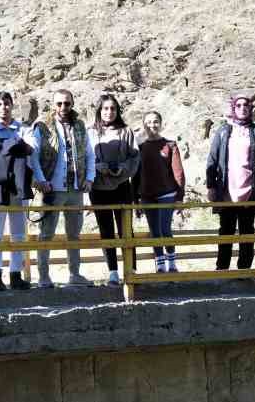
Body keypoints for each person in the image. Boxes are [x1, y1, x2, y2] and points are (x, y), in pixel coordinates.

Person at [206, 92, 255, 270]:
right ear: (233, 108)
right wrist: (211, 186)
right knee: (226, 230)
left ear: (250, 108)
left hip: (250, 189)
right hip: (227, 190)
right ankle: (222, 269)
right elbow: (212, 160)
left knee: (247, 231)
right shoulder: (223, 131)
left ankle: (244, 270)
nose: (242, 108)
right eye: (238, 105)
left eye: (246, 105)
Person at [29, 89, 93, 288]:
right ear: (53, 105)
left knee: (74, 234)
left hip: (75, 188)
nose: (63, 108)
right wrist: (40, 180)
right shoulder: (43, 126)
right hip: (52, 189)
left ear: (72, 104)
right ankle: (43, 276)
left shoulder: (80, 126)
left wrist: (89, 178)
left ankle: (75, 274)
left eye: (67, 103)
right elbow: (34, 155)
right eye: (59, 104)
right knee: (46, 233)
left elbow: (90, 154)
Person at [89, 94, 141, 287]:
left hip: (122, 187)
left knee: (126, 229)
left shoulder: (126, 132)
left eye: (112, 108)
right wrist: (97, 167)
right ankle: (112, 272)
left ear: (117, 111)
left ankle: (131, 269)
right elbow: (85, 158)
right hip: (98, 188)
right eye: (105, 108)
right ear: (99, 111)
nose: (109, 112)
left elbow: (135, 158)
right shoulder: (90, 133)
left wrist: (122, 169)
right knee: (106, 230)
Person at [0, 91, 30, 292]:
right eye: (0, 104)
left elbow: (31, 149)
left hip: (18, 184)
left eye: (7, 103)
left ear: (12, 106)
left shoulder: (23, 129)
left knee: (19, 231)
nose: (4, 107)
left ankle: (15, 273)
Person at [137, 111, 186, 273]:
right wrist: (135, 197)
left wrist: (179, 197)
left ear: (161, 123)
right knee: (154, 231)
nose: (152, 125)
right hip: (146, 195)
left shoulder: (170, 145)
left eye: (156, 121)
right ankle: (159, 264)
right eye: (149, 122)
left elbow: (178, 172)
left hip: (167, 193)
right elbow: (135, 175)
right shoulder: (140, 148)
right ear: (143, 124)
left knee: (165, 229)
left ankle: (171, 262)